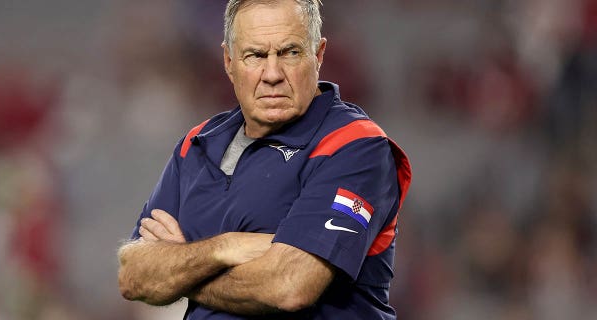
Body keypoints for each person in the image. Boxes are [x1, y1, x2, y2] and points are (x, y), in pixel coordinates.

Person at [117, 0, 412, 319]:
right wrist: (227, 247)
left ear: (318, 55)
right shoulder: (197, 145)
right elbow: (133, 276)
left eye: (290, 53)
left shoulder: (355, 146)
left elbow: (289, 285)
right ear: (229, 61)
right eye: (255, 55)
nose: (272, 74)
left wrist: (181, 271)